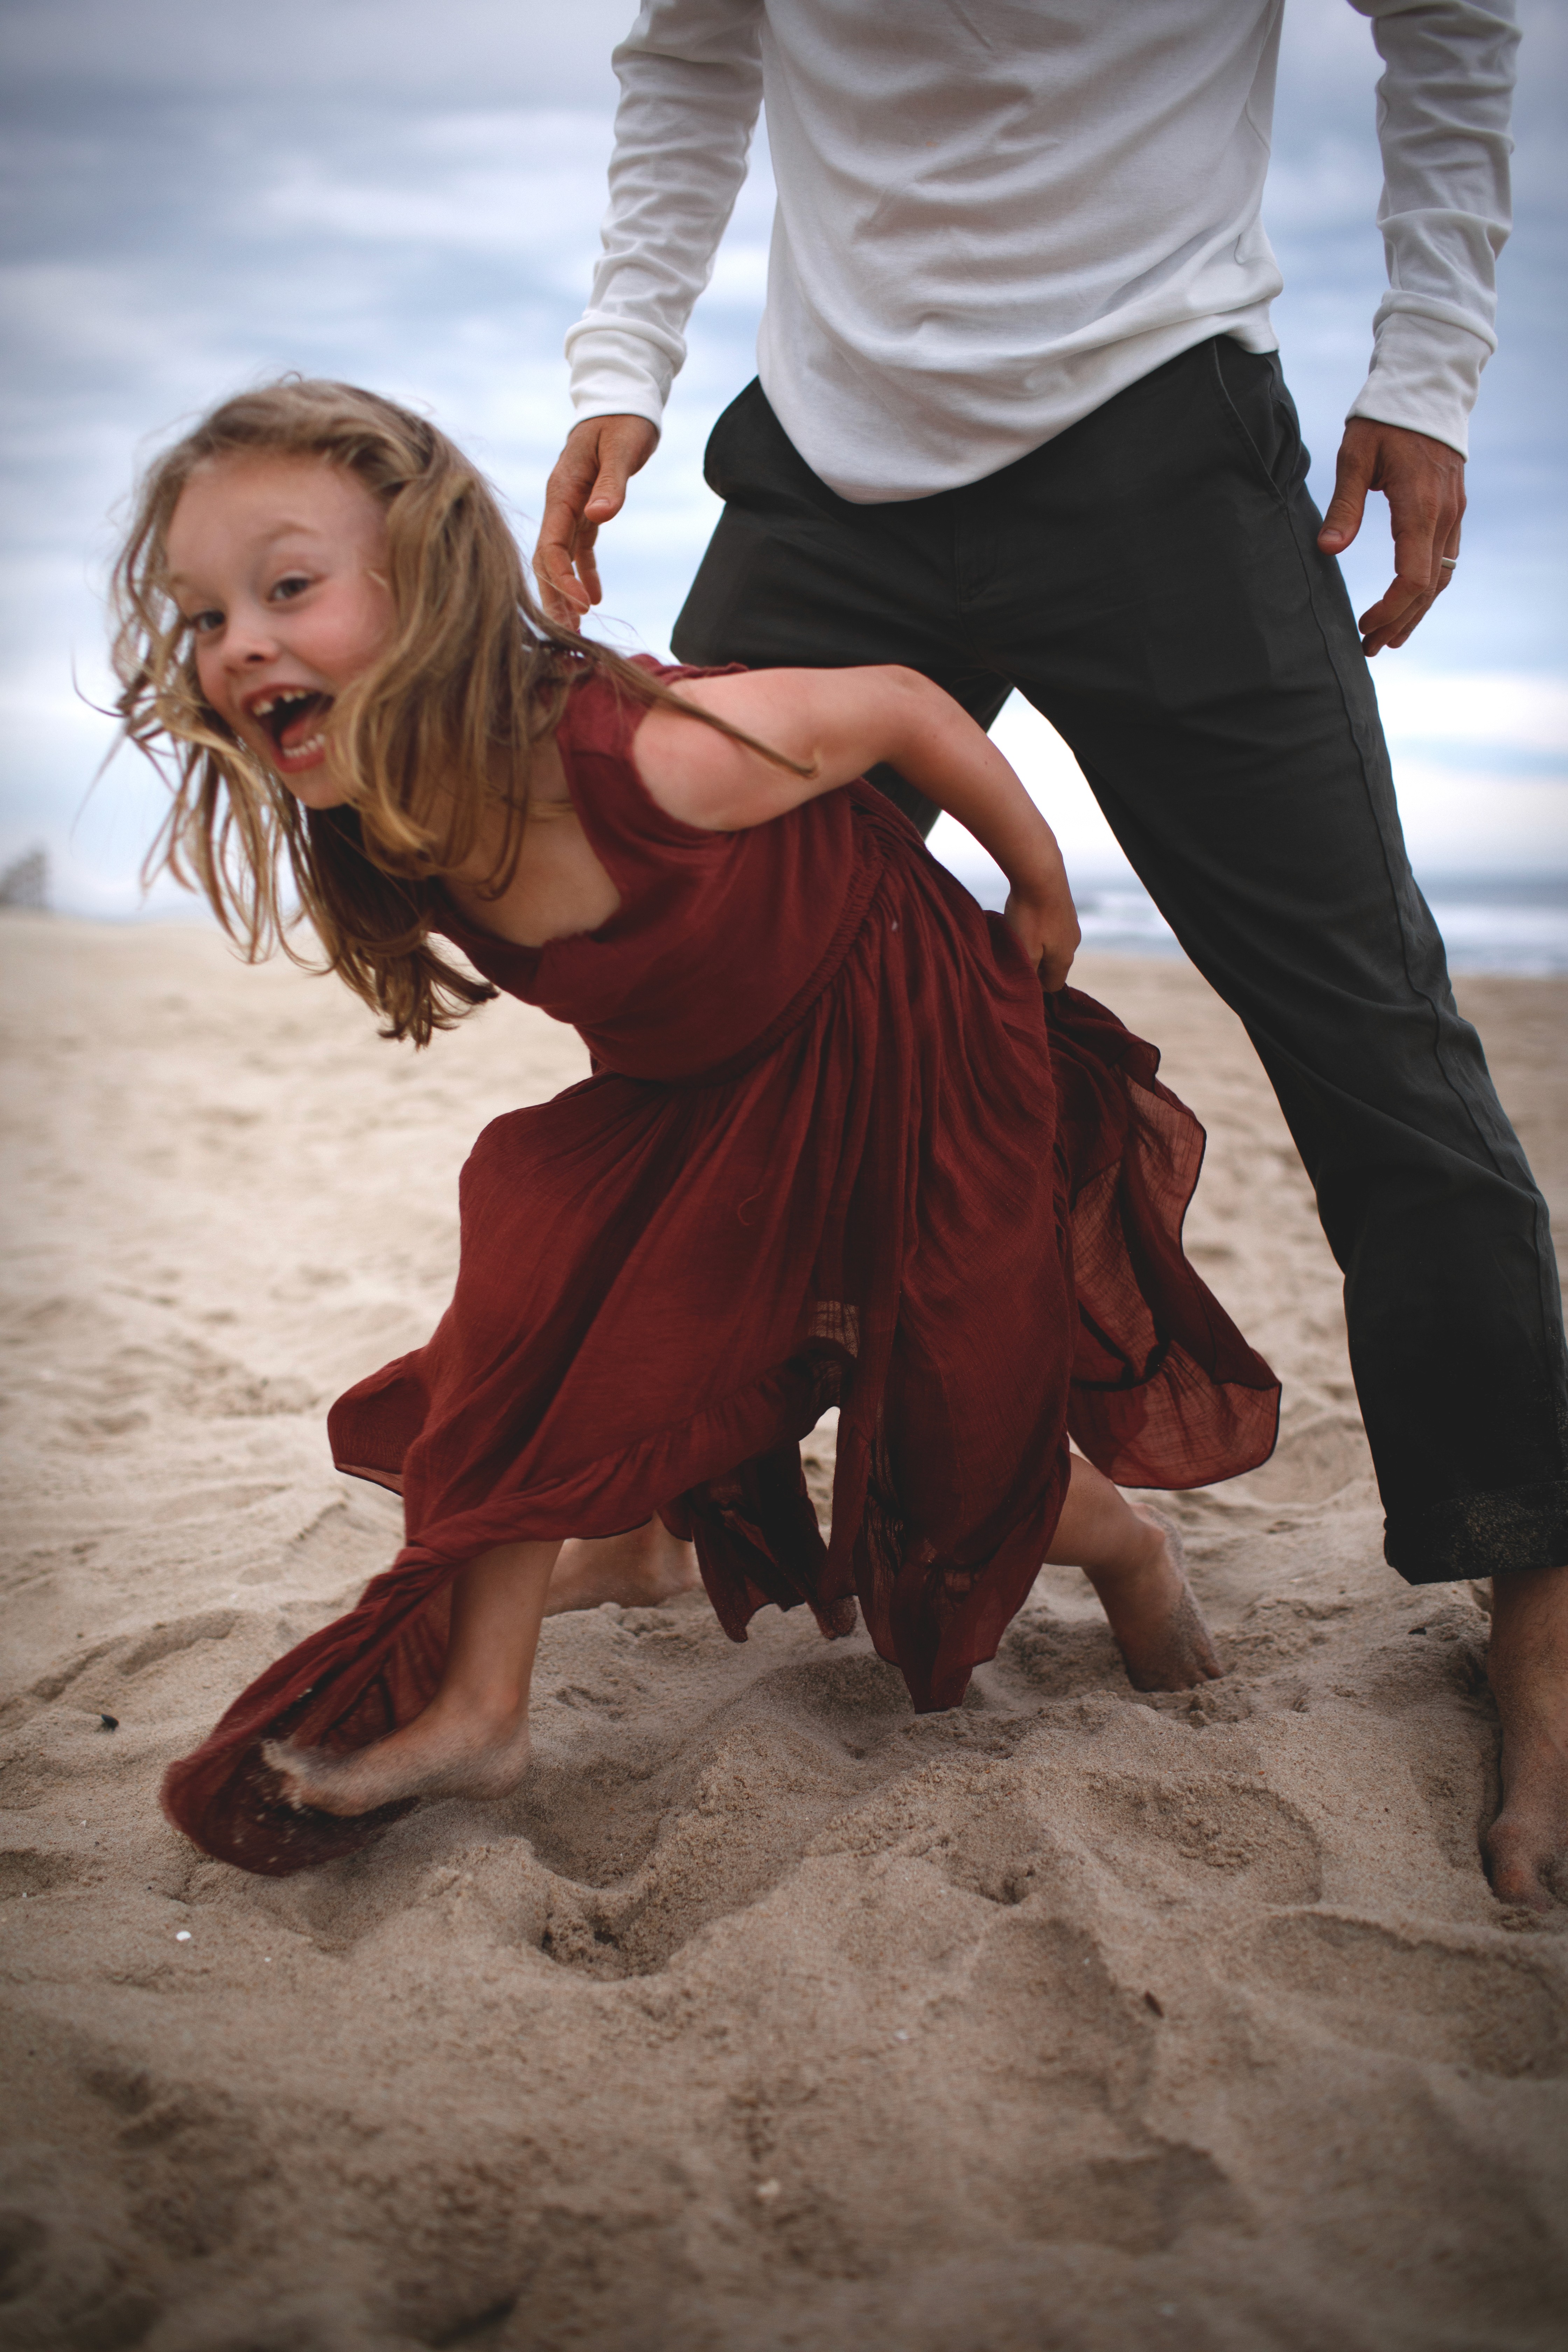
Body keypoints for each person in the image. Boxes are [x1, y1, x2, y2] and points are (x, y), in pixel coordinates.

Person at [533, 0, 1568, 1911]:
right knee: (695, 1020)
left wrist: (1428, 362)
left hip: (1166, 447)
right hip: (827, 474)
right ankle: (677, 1494)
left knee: (1376, 1041)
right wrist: (624, 347)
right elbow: (689, 44)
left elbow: (1450, 18)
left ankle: (1542, 1595)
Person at [115, 379, 1278, 1876]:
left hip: (900, 1045)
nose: (241, 643)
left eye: (287, 587)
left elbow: (904, 711)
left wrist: (1040, 889)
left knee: (934, 1441)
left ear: (430, 588)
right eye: (203, 617)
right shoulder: (387, 820)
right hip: (708, 1078)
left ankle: (1130, 1555)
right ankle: (490, 1699)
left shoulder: (649, 753)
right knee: (539, 1285)